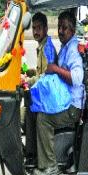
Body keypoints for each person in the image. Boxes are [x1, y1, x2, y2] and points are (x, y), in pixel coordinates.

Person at [33, 11, 85, 175]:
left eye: (65, 28)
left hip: (72, 107)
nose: (61, 31)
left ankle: (50, 166)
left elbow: (77, 78)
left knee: (43, 118)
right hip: (63, 100)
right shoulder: (65, 47)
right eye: (60, 27)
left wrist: (55, 69)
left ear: (72, 30)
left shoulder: (73, 51)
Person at [21, 12, 55, 165]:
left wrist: (28, 81)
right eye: (34, 28)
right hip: (43, 93)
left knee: (26, 113)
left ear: (46, 28)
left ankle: (32, 155)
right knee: (26, 111)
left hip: (48, 96)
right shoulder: (41, 46)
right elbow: (40, 72)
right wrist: (29, 72)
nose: (36, 31)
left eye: (39, 28)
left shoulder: (47, 48)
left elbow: (45, 77)